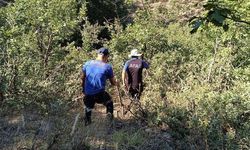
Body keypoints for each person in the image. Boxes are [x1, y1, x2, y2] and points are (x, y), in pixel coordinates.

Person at [81, 47, 118, 126]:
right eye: (107, 57)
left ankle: (87, 123)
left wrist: (83, 89)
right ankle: (109, 122)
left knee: (88, 107)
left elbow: (83, 78)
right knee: (109, 102)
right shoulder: (107, 67)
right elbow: (113, 83)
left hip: (88, 93)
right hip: (99, 94)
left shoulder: (88, 63)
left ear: (98, 54)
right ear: (106, 56)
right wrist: (116, 83)